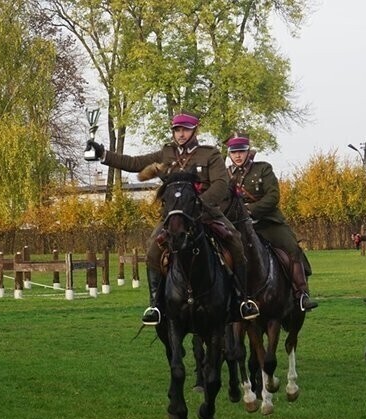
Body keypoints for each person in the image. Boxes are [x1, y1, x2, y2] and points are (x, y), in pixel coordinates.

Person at [85, 113, 259, 325]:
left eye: (185, 129)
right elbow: (134, 163)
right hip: (175, 218)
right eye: (177, 130)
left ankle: (243, 300)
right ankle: (155, 305)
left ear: (195, 130)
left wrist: (199, 204)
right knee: (151, 248)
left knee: (235, 241)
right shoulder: (167, 153)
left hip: (205, 212)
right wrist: (103, 154)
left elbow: (221, 185)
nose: (181, 134)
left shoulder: (209, 154)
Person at [225, 133, 318, 311]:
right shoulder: (226, 174)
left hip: (267, 223)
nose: (238, 155)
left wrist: (250, 210)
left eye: (241, 151)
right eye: (234, 152)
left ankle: (301, 293)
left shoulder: (263, 169)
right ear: (229, 154)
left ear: (248, 152)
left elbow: (273, 196)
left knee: (292, 248)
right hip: (238, 227)